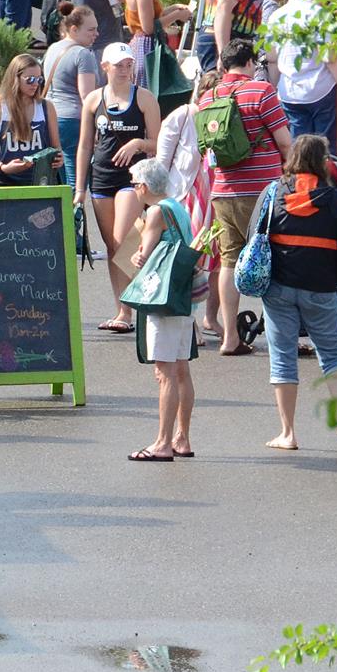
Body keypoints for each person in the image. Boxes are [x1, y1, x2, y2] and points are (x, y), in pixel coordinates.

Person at [257, 135, 337, 452]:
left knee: (283, 359)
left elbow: (255, 237)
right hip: (320, 288)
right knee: (332, 355)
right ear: (322, 161)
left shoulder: (273, 192)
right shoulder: (334, 199)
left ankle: (288, 433)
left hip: (278, 288)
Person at [202, 38, 294, 355]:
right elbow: (285, 142)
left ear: (224, 65)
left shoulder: (208, 97)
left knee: (229, 260)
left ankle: (230, 337)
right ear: (252, 63)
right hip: (263, 192)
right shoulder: (262, 92)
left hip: (222, 190)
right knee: (278, 259)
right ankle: (284, 337)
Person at [77, 41, 162, 333]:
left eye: (129, 65)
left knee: (123, 236)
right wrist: (79, 189)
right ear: (105, 68)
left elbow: (160, 142)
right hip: (101, 178)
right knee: (113, 247)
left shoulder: (144, 98)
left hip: (132, 179)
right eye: (119, 66)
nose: (125, 70)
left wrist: (138, 143)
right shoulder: (93, 100)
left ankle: (148, 298)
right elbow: (85, 145)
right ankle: (123, 311)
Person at [122, 161, 196, 462]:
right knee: (180, 369)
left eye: (133, 182)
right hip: (183, 295)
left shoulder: (155, 212)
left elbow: (144, 255)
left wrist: (137, 253)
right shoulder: (178, 207)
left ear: (143, 186)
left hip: (163, 298)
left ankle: (163, 442)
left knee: (164, 372)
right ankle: (182, 437)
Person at [158, 67, 225, 341]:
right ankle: (190, 319)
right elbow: (162, 161)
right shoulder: (183, 115)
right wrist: (160, 202)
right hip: (188, 195)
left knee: (219, 259)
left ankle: (212, 317)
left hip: (217, 194)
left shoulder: (226, 117)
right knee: (192, 257)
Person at [0, 51, 60, 187]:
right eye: (30, 79)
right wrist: (3, 167)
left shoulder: (46, 107)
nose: (35, 84)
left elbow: (56, 147)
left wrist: (58, 158)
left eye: (39, 80)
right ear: (15, 78)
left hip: (41, 182)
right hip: (7, 182)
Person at [43, 5, 102, 189]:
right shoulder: (83, 54)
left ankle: (65, 213)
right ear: (74, 29)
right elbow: (87, 97)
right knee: (75, 176)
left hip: (50, 116)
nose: (96, 34)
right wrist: (96, 126)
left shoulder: (53, 48)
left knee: (59, 174)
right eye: (91, 30)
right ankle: (74, 214)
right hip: (73, 120)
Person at [270, 0, 336, 140]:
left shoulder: (276, 16)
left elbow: (271, 57)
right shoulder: (320, 14)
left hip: (289, 91)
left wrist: (273, 89)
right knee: (325, 149)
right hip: (321, 87)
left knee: (298, 146)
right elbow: (329, 58)